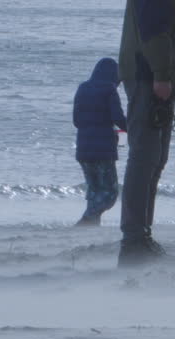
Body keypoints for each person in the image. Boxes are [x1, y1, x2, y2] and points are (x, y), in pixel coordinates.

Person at [117, 0, 175, 266]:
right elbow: (152, 29)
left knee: (154, 159)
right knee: (145, 158)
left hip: (152, 74)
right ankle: (133, 239)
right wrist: (162, 74)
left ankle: (141, 234)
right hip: (147, 76)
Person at [73, 58, 127, 226]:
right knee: (110, 194)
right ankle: (87, 219)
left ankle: (92, 227)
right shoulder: (109, 90)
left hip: (83, 149)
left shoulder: (82, 88)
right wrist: (132, 126)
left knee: (94, 190)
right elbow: (118, 119)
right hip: (103, 150)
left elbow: (76, 120)